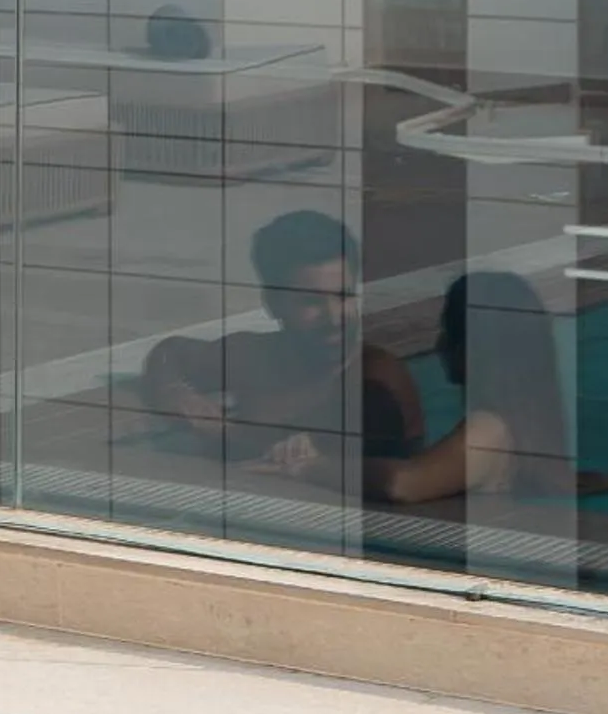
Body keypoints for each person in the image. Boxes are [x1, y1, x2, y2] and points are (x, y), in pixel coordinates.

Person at [140, 209, 421, 478]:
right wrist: (175, 393)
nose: (334, 317)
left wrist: (225, 434)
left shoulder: (377, 379)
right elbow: (169, 353)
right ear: (273, 304)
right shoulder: (253, 356)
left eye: (344, 296)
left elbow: (385, 474)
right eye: (310, 302)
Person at [364, 270, 572, 508]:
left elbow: (401, 484)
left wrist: (316, 464)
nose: (439, 345)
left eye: (448, 332)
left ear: (471, 349)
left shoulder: (488, 432)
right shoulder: (530, 421)